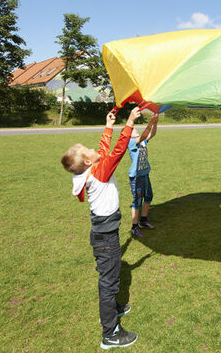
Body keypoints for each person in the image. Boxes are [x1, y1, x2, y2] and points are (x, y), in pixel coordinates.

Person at [60, 107, 142, 350]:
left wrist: (109, 125)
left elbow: (105, 151)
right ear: (87, 161)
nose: (95, 150)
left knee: (111, 276)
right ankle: (111, 333)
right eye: (90, 151)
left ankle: (112, 310)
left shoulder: (92, 169)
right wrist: (128, 123)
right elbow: (116, 153)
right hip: (106, 238)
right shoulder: (100, 173)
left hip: (103, 234)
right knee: (109, 282)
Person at [127, 111, 159, 238]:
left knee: (149, 196)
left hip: (145, 173)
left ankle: (143, 220)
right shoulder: (131, 142)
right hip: (136, 176)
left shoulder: (142, 141)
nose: (135, 130)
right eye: (132, 129)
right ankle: (134, 227)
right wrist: (151, 122)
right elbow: (145, 134)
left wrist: (155, 123)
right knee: (137, 200)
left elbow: (152, 134)